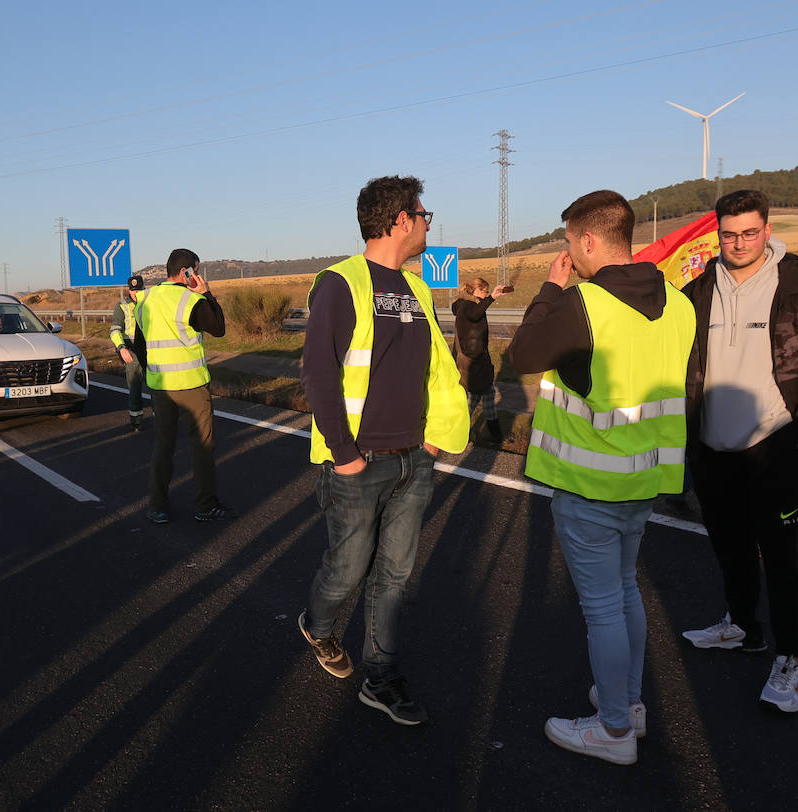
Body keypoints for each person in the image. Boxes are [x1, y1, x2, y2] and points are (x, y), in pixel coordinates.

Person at [507, 190, 694, 765]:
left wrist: (548, 291)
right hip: (643, 477)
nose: (569, 253)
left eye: (569, 242)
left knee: (603, 609)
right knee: (625, 592)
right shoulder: (678, 302)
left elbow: (521, 355)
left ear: (587, 240)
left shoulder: (584, 304)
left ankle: (613, 730)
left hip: (590, 482)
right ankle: (630, 702)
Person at [679, 189, 798, 714]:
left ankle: (788, 659)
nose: (738, 243)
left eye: (749, 232)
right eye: (729, 233)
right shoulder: (697, 290)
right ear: (717, 232)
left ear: (767, 228)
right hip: (713, 451)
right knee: (729, 548)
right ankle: (741, 627)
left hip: (776, 451)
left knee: (783, 562)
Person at [297, 175, 468, 726]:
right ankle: (318, 627)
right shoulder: (340, 283)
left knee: (394, 575)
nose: (427, 224)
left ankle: (382, 677)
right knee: (347, 571)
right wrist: (344, 455)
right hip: (357, 461)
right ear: (400, 220)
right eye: (424, 215)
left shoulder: (415, 287)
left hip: (414, 458)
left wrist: (436, 438)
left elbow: (435, 369)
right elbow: (319, 372)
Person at [133, 249, 235, 523]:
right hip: (192, 385)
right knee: (202, 446)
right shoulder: (191, 300)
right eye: (196, 271)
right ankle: (205, 506)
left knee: (163, 446)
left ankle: (158, 507)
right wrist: (207, 294)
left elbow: (139, 346)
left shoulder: (146, 300)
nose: (198, 276)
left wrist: (152, 372)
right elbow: (219, 328)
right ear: (186, 273)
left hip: (160, 385)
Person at [452, 276, 511, 446]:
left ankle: (495, 435)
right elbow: (474, 314)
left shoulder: (468, 304)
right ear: (475, 290)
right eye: (484, 291)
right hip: (472, 361)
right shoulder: (466, 306)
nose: (485, 295)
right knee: (473, 399)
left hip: (479, 359)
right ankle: (459, 434)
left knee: (488, 398)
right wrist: (492, 297)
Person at [110, 274, 147, 431]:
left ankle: (161, 419)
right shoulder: (122, 306)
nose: (136, 293)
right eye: (133, 290)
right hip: (132, 352)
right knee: (135, 388)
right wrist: (121, 348)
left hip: (152, 350)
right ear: (128, 290)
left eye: (138, 289)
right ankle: (136, 421)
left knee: (158, 388)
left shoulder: (151, 303)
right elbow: (115, 330)